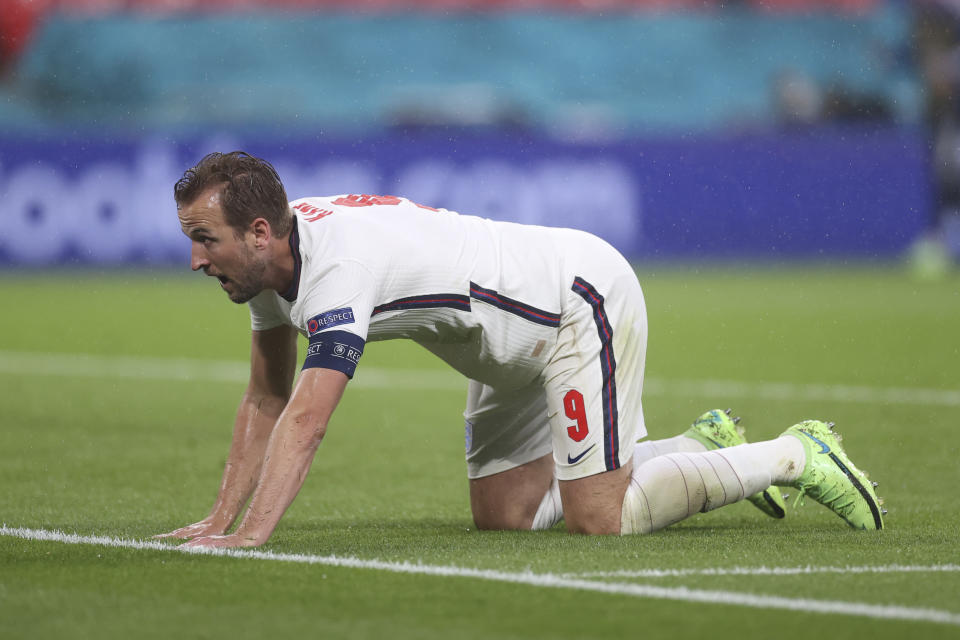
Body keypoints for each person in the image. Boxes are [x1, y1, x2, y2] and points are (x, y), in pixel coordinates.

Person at [157, 151, 884, 549]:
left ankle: (793, 454)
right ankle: (696, 443)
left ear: (258, 231)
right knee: (506, 515)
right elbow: (266, 397)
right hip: (499, 349)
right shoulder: (266, 264)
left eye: (204, 239)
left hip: (573, 304)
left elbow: (308, 420)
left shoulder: (335, 275)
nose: (195, 258)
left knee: (598, 521)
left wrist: (253, 536)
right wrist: (217, 517)